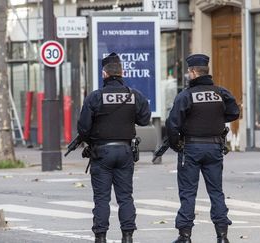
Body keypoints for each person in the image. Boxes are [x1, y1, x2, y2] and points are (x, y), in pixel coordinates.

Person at [77, 52, 151, 243]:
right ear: (122, 72)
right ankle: (127, 236)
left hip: (101, 153)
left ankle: (100, 237)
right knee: (125, 197)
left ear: (104, 74)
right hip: (125, 151)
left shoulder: (95, 97)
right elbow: (144, 120)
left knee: (102, 198)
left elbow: (83, 128)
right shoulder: (134, 95)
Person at [166, 54, 240, 243]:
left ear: (192, 72)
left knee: (188, 193)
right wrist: (214, 120)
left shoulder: (185, 96)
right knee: (216, 192)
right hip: (215, 147)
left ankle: (185, 236)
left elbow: (173, 125)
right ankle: (222, 236)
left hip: (191, 147)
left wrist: (177, 146)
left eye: (188, 72)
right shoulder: (220, 92)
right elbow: (233, 112)